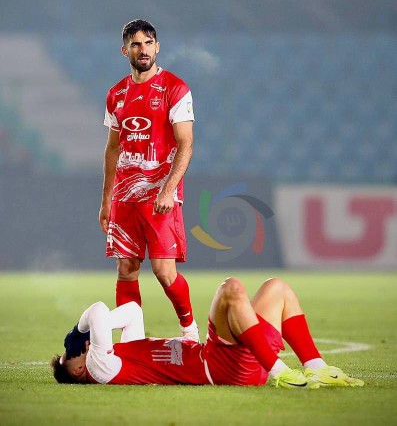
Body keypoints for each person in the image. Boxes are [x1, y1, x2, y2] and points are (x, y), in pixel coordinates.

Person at [51, 276, 364, 388]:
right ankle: (279, 371)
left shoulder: (123, 358)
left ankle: (318, 368)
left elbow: (132, 313)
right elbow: (99, 312)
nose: (75, 350)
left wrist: (82, 337)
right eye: (69, 356)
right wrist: (78, 331)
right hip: (216, 365)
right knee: (230, 289)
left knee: (277, 288)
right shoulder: (100, 369)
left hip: (236, 361)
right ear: (78, 371)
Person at [98, 19, 198, 340]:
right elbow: (113, 149)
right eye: (136, 44)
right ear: (124, 50)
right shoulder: (116, 95)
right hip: (125, 197)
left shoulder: (175, 88)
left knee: (163, 271)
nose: (143, 50)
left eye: (148, 43)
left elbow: (186, 144)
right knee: (126, 269)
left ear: (157, 47)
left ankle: (189, 329)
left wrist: (169, 188)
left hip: (159, 195)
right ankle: (131, 342)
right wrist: (106, 200)